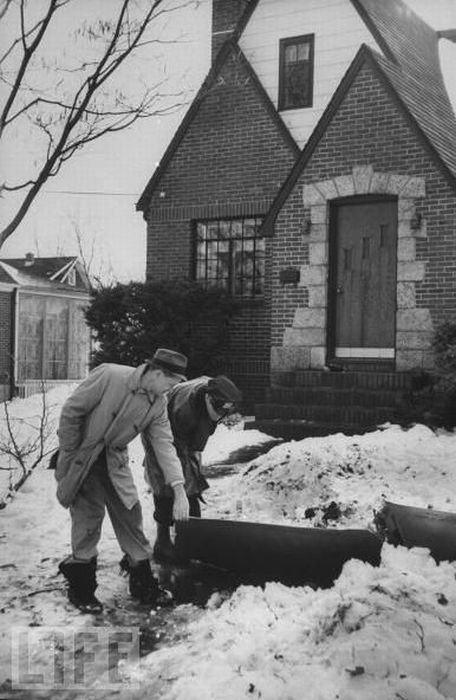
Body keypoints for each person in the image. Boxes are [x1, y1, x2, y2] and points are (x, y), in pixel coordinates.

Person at [55, 348, 190, 613]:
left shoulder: (158, 403)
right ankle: (82, 587)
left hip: (114, 461)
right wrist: (70, 453)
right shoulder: (110, 376)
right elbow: (72, 412)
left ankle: (142, 584)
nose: (169, 390)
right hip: (83, 458)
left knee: (131, 514)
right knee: (87, 519)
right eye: (170, 383)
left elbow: (164, 444)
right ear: (158, 373)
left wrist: (179, 487)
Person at [143, 374, 242, 563]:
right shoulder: (184, 410)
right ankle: (162, 542)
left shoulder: (218, 396)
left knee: (192, 482)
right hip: (161, 435)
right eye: (219, 412)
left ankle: (191, 536)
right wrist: (180, 488)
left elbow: (198, 440)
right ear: (207, 399)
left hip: (187, 437)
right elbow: (172, 451)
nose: (221, 417)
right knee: (166, 483)